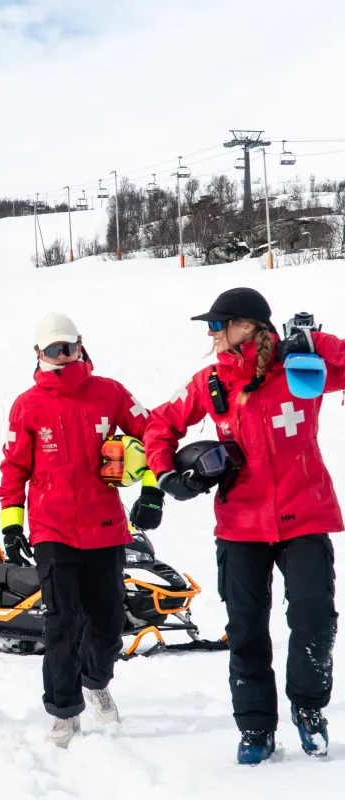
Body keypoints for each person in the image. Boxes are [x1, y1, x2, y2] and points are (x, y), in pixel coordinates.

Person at [142, 287, 345, 764]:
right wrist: (165, 472)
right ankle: (255, 728)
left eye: (218, 324)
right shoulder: (211, 380)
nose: (211, 334)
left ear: (249, 326)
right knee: (247, 628)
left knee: (315, 618)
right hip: (240, 526)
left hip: (305, 514)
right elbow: (159, 424)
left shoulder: (302, 370)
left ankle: (309, 709)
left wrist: (313, 341)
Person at [0, 312, 157, 747]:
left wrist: (151, 488)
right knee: (62, 623)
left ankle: (95, 680)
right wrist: (12, 526)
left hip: (105, 527)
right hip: (53, 529)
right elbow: (13, 469)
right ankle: (64, 713)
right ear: (39, 353)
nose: (63, 356)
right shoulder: (27, 405)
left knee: (107, 620)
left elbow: (155, 433)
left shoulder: (110, 393)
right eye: (54, 349)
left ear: (81, 344)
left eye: (69, 346)